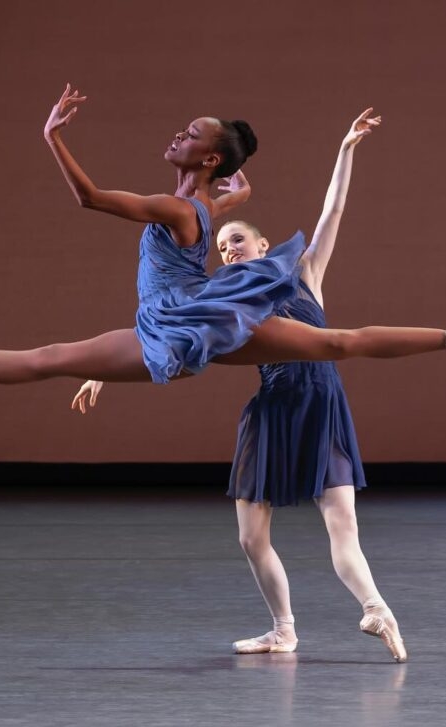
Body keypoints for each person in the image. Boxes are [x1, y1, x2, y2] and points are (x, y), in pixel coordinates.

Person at [0, 83, 446, 390]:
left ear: (208, 160)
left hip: (188, 315)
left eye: (192, 136)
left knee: (333, 342)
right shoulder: (196, 202)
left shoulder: (174, 210)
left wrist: (51, 136)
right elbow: (220, 197)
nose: (177, 135)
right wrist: (241, 192)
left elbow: (89, 198)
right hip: (165, 319)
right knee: (49, 357)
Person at [70, 109, 413, 661]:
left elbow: (333, 211)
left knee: (342, 526)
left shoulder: (304, 274)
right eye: (221, 248)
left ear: (263, 245)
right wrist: (98, 370)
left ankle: (376, 609)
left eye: (236, 242)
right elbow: (164, 336)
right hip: (272, 410)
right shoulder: (227, 301)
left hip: (322, 405)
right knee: (251, 539)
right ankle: (284, 630)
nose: (227, 251)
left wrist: (345, 149)